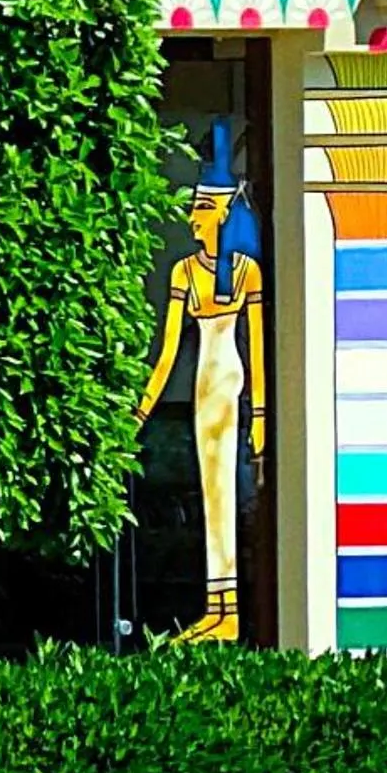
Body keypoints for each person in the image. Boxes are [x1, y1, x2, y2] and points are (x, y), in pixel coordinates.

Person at [138, 123, 266, 642]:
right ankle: (219, 605)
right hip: (203, 387)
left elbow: (256, 348)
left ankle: (228, 609)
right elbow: (168, 350)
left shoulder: (246, 273)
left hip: (228, 383)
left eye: (199, 207)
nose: (191, 217)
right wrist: (141, 410)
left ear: (220, 212)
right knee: (212, 490)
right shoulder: (184, 274)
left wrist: (260, 415)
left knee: (225, 490)